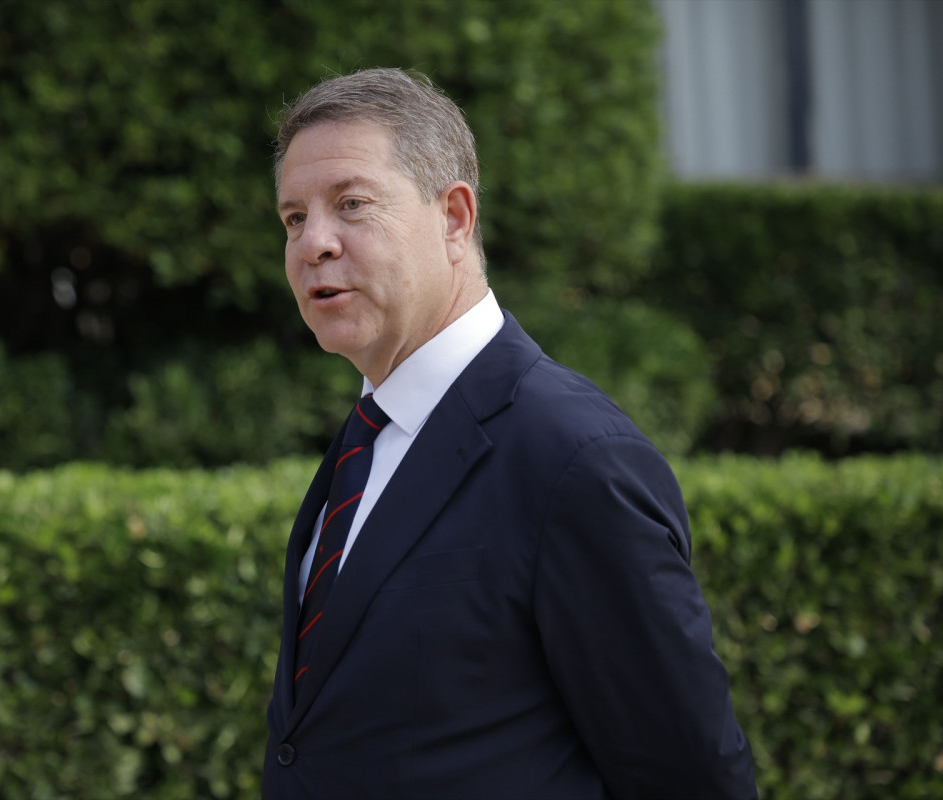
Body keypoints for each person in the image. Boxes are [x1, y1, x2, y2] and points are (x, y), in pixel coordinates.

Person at [263, 67, 757, 799]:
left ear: (454, 218)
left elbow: (690, 777)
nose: (313, 244)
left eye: (352, 204)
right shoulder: (367, 439)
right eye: (293, 218)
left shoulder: (576, 457)